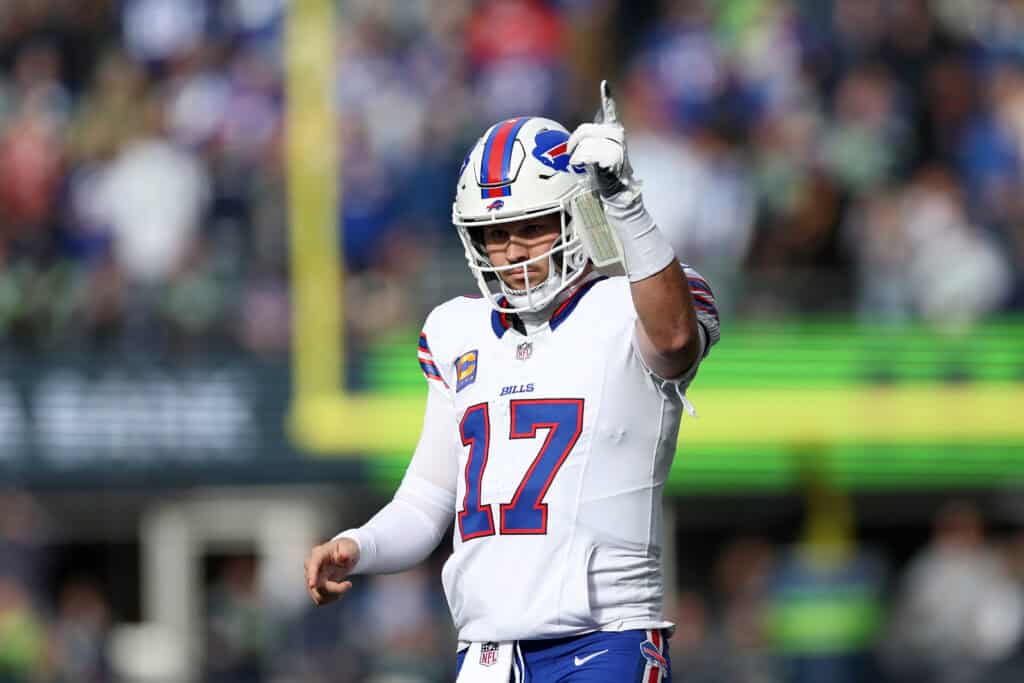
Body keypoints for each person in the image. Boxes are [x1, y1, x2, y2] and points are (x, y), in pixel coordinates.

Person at [304, 83, 720, 682]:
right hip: (486, 653)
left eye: (531, 227)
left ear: (577, 214)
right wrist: (358, 546)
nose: (511, 251)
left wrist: (625, 202)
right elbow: (428, 499)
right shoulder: (455, 329)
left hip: (607, 639)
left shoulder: (627, 306)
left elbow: (677, 338)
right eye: (494, 235)